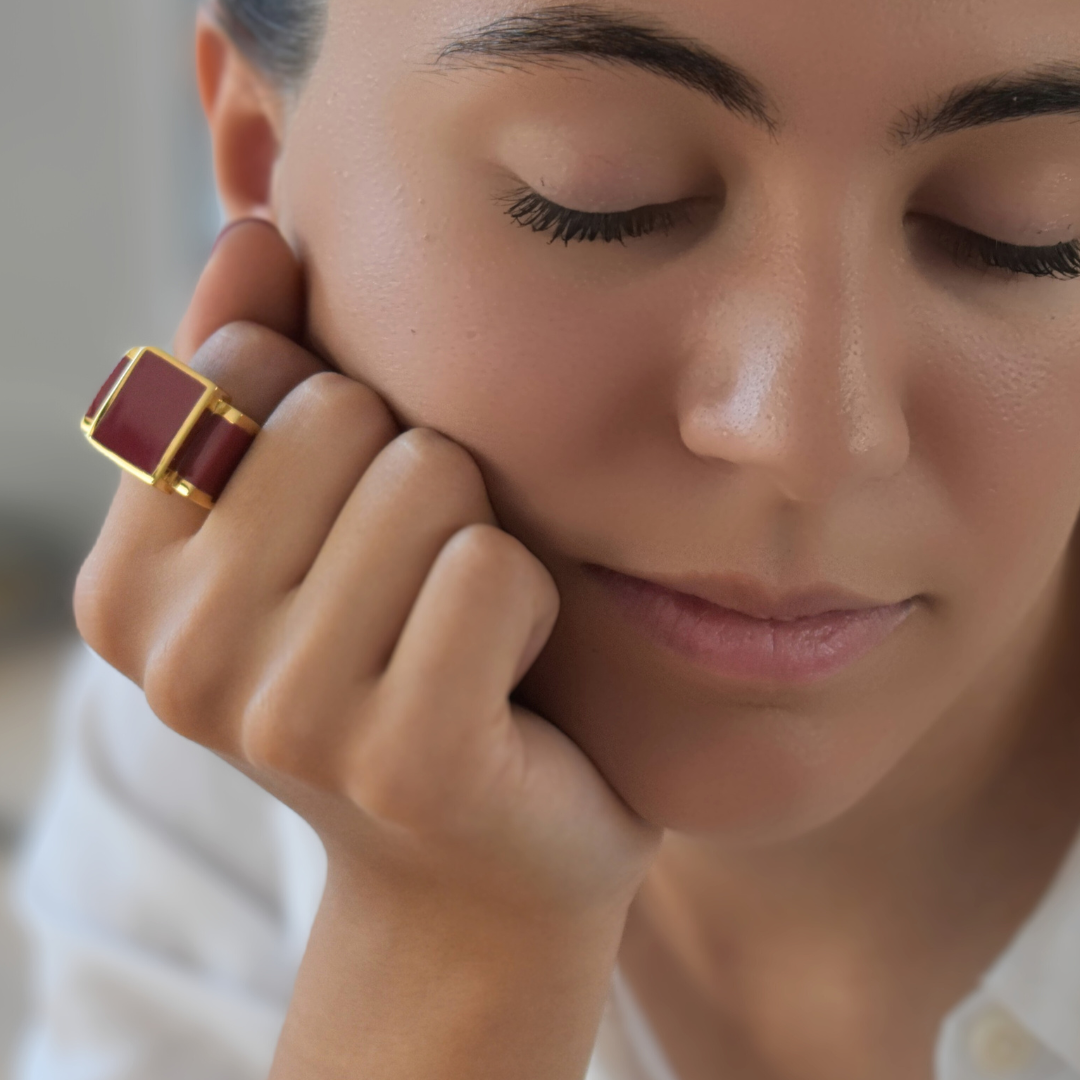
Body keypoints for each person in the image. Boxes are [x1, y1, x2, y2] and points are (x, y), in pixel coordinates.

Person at [14, 0, 1080, 1077]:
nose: (806, 439)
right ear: (258, 155)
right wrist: (445, 940)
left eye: (1030, 232)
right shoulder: (230, 734)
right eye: (600, 198)